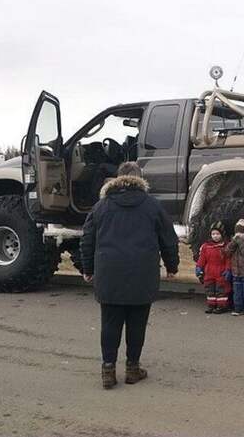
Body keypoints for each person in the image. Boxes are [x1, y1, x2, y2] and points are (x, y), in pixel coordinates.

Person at [80, 161, 179, 389]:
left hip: (109, 273)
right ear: (140, 178)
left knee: (110, 324)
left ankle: (108, 369)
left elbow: (87, 239)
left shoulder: (101, 206)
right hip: (142, 273)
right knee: (137, 324)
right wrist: (172, 266)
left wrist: (88, 269)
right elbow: (168, 238)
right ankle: (133, 368)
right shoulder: (152, 205)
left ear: (116, 178)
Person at [196, 221, 233, 314]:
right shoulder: (206, 247)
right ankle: (211, 305)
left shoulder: (225, 247)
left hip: (221, 272)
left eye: (217, 234)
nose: (215, 236)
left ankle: (222, 306)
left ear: (222, 234)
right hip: (209, 272)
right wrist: (199, 267)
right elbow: (202, 259)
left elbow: (228, 259)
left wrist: (228, 269)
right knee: (210, 289)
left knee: (221, 290)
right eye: (213, 234)